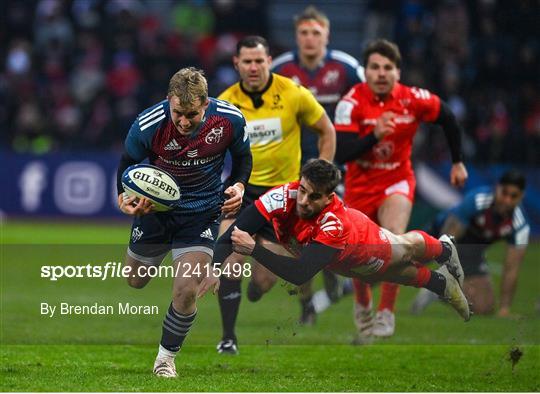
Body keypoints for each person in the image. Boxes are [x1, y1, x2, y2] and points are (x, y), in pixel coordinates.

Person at [212, 160, 471, 335]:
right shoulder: (282, 195)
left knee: (404, 250)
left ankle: (444, 248)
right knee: (400, 276)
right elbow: (239, 229)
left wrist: (254, 250)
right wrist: (212, 268)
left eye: (313, 196)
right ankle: (442, 284)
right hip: (339, 263)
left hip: (365, 246)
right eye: (301, 189)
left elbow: (300, 273)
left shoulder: (333, 223)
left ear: (329, 197)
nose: (303, 200)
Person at [116, 67, 252, 378]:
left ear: (206, 104)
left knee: (187, 290)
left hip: (201, 212)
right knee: (135, 280)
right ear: (169, 101)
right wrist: (123, 197)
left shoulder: (229, 119)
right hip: (155, 211)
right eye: (178, 112)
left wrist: (238, 185)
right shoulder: (149, 123)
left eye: (192, 114)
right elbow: (127, 162)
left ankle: (165, 360)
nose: (184, 121)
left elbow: (243, 158)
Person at [334, 38, 468, 342]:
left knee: (392, 243)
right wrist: (374, 135)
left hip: (397, 180)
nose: (381, 73)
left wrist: (458, 162)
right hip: (359, 185)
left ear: (398, 71)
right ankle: (363, 304)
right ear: (365, 71)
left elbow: (448, 117)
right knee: (352, 254)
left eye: (388, 68)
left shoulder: (413, 99)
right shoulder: (350, 103)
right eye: (375, 67)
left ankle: (386, 313)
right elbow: (341, 154)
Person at [216, 35, 336, 354]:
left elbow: (327, 130)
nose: (254, 67)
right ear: (236, 64)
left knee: (262, 283)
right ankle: (228, 337)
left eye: (259, 61)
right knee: (230, 261)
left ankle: (261, 290)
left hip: (283, 200)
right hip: (243, 193)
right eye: (247, 61)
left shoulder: (294, 93)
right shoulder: (224, 103)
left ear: (269, 61)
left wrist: (322, 175)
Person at [271, 5, 365, 319]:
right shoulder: (281, 70)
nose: (309, 38)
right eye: (304, 33)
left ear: (326, 35)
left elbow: (365, 106)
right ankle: (308, 303)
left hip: (337, 167)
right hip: (294, 166)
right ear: (296, 36)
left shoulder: (347, 68)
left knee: (331, 233)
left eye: (315, 33)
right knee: (298, 237)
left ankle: (331, 282)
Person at [411, 170, 530, 317]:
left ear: (521, 197)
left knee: (484, 307)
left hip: (472, 251)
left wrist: (505, 308)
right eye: (504, 193)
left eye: (513, 196)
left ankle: (438, 290)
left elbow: (512, 268)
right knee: (404, 264)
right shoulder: (477, 200)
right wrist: (447, 268)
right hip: (439, 235)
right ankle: (383, 304)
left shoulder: (520, 225)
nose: (507, 200)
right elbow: (449, 233)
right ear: (496, 188)